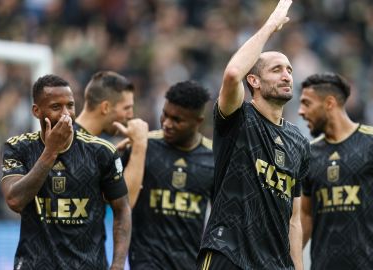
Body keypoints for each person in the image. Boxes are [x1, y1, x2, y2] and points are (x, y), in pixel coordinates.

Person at [198, 1, 310, 269]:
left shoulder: (299, 142)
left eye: (289, 70)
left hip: (273, 263)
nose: (286, 76)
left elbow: (294, 220)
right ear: (254, 81)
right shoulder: (238, 118)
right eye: (276, 69)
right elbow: (233, 73)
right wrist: (271, 26)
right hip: (228, 254)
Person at [0, 74, 131, 269]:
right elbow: (15, 200)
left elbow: (122, 209)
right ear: (36, 111)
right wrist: (51, 151)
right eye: (56, 107)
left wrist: (118, 265)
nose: (66, 114)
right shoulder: (19, 148)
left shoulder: (101, 152)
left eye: (70, 105)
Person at [297, 73, 373, 270]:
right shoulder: (308, 154)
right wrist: (288, 261)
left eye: (306, 103)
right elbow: (305, 215)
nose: (301, 111)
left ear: (329, 103)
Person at [127, 80, 213, 270]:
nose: (167, 124)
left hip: (189, 262)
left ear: (198, 121)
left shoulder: (213, 158)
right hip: (145, 258)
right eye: (165, 115)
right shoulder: (143, 145)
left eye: (177, 120)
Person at [75, 70, 148, 207]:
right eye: (127, 108)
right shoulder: (78, 146)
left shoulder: (83, 143)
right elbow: (125, 203)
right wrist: (139, 145)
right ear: (106, 107)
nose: (131, 115)